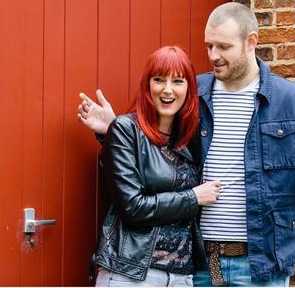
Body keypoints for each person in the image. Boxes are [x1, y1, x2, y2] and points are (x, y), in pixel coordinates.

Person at [78, 3, 295, 287]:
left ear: (251, 42)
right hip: (196, 262)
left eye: (223, 47)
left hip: (259, 265)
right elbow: (157, 149)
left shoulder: (291, 101)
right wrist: (114, 130)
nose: (213, 56)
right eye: (209, 46)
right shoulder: (193, 94)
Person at [90, 46, 221, 287]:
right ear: (148, 85)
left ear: (189, 89)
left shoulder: (188, 140)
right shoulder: (125, 129)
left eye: (178, 81)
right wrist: (193, 197)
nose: (167, 89)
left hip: (182, 277)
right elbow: (132, 207)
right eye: (159, 79)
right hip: (132, 275)